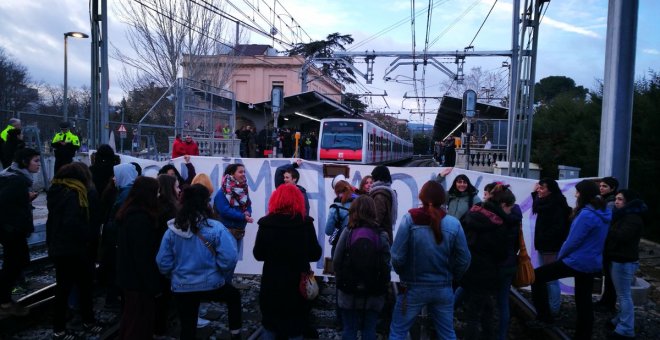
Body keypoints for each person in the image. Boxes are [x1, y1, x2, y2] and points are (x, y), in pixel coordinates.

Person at [157, 184, 242, 340]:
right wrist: (219, 271)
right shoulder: (215, 227)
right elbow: (229, 258)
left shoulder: (172, 229)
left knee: (187, 327)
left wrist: (175, 275)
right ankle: (235, 333)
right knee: (234, 296)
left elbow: (163, 262)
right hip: (211, 283)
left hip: (182, 285)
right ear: (205, 203)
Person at [529, 180, 611, 339]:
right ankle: (583, 335)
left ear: (584, 194)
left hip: (576, 261)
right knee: (583, 300)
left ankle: (544, 317)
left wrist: (561, 257)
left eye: (578, 192)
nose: (575, 194)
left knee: (536, 277)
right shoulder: (604, 212)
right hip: (592, 262)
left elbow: (573, 241)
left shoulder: (586, 214)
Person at [389, 180, 471, 339]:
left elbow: (397, 257)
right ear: (443, 199)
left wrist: (404, 275)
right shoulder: (454, 224)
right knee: (447, 334)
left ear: (422, 197)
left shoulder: (409, 220)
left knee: (398, 331)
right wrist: (453, 277)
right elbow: (464, 259)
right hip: (443, 288)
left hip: (412, 288)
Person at [253, 184, 322, 339]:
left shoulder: (266, 224)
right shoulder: (305, 224)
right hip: (298, 284)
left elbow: (258, 254)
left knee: (271, 326)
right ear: (298, 200)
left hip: (272, 283)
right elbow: (315, 254)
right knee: (295, 327)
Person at [47, 162, 100, 338]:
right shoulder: (75, 194)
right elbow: (73, 223)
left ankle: (60, 327)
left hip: (59, 247)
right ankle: (74, 325)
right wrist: (86, 238)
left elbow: (52, 222)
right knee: (82, 286)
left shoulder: (57, 191)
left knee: (63, 288)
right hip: (74, 249)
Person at [460, 184, 518, 340]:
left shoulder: (474, 212)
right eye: (510, 207)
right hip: (485, 273)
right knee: (476, 313)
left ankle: (488, 335)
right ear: (503, 204)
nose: (510, 211)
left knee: (484, 308)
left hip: (468, 268)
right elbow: (501, 253)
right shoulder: (498, 223)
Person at [333, 195, 391, 340]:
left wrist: (341, 278)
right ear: (373, 211)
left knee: (349, 329)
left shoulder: (348, 232)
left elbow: (336, 260)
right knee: (369, 329)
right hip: (374, 291)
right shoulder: (381, 234)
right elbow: (386, 264)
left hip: (349, 290)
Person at [116, 176, 162, 339]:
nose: (158, 196)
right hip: (137, 281)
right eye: (156, 192)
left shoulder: (130, 212)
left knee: (133, 319)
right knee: (138, 323)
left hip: (130, 277)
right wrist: (153, 284)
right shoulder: (140, 218)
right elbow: (143, 256)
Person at [0, 148, 40, 317]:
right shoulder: (17, 181)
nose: (38, 164)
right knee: (16, 263)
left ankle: (5, 300)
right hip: (11, 229)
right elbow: (4, 203)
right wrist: (26, 199)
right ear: (25, 162)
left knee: (17, 262)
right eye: (35, 161)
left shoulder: (12, 174)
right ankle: (4, 302)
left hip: (10, 228)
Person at [603, 190, 646, 339]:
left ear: (629, 202)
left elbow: (622, 236)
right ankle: (620, 320)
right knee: (622, 294)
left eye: (620, 199)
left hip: (623, 260)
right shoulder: (625, 215)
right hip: (620, 259)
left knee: (624, 295)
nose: (616, 202)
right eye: (616, 199)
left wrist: (607, 228)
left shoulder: (632, 218)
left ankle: (626, 329)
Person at [99, 163, 139, 309]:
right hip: (118, 240)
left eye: (117, 175)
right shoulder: (127, 191)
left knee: (115, 270)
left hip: (116, 240)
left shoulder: (125, 194)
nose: (114, 178)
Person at [531, 178, 571, 315]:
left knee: (551, 279)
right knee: (545, 277)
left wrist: (544, 238)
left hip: (550, 247)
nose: (539, 191)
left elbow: (558, 228)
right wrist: (534, 193)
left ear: (551, 190)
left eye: (542, 188)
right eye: (539, 188)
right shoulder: (547, 201)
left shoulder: (556, 205)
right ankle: (550, 306)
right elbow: (536, 205)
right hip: (544, 246)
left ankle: (553, 309)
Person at [214, 163, 253, 258]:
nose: (243, 174)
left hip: (238, 232)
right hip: (226, 232)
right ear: (232, 174)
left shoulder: (243, 190)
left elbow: (248, 204)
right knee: (227, 260)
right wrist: (243, 216)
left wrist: (248, 212)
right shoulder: (222, 192)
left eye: (244, 172)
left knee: (233, 260)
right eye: (240, 172)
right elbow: (225, 211)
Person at [324, 180, 355, 256]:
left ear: (337, 193)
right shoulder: (359, 205)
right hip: (356, 244)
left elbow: (328, 231)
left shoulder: (335, 209)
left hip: (339, 246)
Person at [369, 165, 397, 243]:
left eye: (373, 177)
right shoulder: (387, 191)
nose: (372, 180)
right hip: (385, 235)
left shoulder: (379, 196)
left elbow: (376, 220)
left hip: (379, 238)